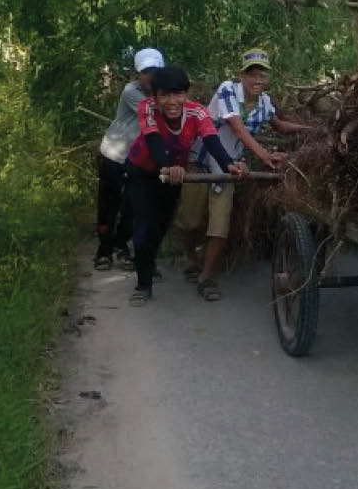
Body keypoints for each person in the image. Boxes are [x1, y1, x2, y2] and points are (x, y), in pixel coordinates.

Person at [174, 47, 312, 301]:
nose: (257, 80)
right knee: (190, 220)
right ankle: (190, 257)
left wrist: (309, 129)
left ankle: (206, 277)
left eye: (262, 75)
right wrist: (264, 156)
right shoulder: (228, 90)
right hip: (202, 161)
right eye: (252, 75)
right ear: (242, 75)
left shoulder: (265, 103)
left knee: (220, 222)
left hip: (229, 168)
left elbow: (279, 126)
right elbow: (237, 128)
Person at [124, 66, 246, 307]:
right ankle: (143, 285)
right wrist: (168, 166)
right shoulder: (146, 108)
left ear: (186, 94)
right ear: (155, 97)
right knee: (143, 227)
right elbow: (154, 141)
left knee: (160, 225)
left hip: (175, 175)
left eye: (178, 94)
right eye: (165, 95)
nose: (172, 102)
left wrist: (229, 165)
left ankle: (148, 261)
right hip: (143, 171)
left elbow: (212, 141)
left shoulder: (197, 113)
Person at [94, 48, 164, 271]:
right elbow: (159, 110)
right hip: (114, 154)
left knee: (133, 205)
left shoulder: (164, 93)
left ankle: (121, 245)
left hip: (140, 159)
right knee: (109, 205)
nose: (150, 76)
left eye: (155, 71)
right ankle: (103, 250)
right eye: (145, 72)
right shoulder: (131, 92)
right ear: (137, 74)